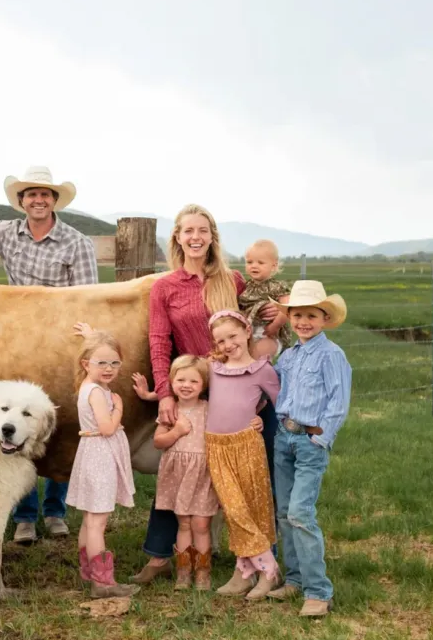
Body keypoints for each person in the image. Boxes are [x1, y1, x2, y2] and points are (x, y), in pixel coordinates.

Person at [129, 203, 280, 586]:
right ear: (177, 237)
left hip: (237, 390)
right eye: (187, 231)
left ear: (212, 236)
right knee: (181, 468)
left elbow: (252, 323)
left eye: (203, 230)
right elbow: (159, 341)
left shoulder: (232, 281)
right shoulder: (164, 286)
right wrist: (165, 393)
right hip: (193, 393)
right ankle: (161, 555)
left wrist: (276, 315)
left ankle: (265, 561)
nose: (195, 237)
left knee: (252, 475)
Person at [0, 165, 99, 543]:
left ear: (54, 201)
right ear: (21, 202)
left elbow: (86, 298)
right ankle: (25, 514)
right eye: (31, 195)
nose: (38, 200)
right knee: (18, 420)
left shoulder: (76, 242)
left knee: (56, 418)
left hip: (60, 345)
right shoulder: (9, 232)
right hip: (17, 345)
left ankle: (56, 510)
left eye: (45, 194)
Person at [263, 280, 351, 618]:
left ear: (325, 318)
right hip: (283, 437)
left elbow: (338, 403)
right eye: (297, 315)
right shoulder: (289, 355)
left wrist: (320, 438)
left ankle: (318, 591)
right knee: (284, 512)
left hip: (310, 440)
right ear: (288, 318)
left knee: (301, 513)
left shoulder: (332, 356)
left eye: (311, 315)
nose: (303, 322)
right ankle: (295, 578)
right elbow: (275, 388)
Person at [202, 310, 282, 598]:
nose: (227, 344)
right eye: (220, 340)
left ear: (248, 331)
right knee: (234, 510)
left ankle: (250, 571)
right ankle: (265, 567)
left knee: (255, 508)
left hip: (247, 445)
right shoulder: (212, 368)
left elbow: (279, 405)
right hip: (216, 446)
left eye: (232, 336)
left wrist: (259, 417)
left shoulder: (262, 370)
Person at [131, 356, 217, 590]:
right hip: (177, 474)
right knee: (184, 525)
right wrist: (177, 431)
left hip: (201, 474)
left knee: (201, 525)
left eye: (193, 381)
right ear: (171, 382)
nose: (186, 385)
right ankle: (183, 571)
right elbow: (159, 441)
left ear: (204, 385)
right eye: (180, 380)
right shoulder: (170, 411)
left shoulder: (209, 409)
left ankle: (202, 572)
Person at [64, 331, 140, 598]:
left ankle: (89, 573)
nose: (109, 369)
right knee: (98, 522)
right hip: (100, 457)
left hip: (92, 454)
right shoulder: (97, 392)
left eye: (115, 363)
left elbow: (100, 349)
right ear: (86, 364)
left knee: (89, 520)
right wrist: (118, 408)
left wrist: (91, 334)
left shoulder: (90, 385)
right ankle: (103, 583)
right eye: (102, 363)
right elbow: (107, 428)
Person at [238, 239, 292, 359]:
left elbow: (287, 306)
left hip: (268, 333)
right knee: (243, 360)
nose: (254, 266)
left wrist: (275, 325)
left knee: (257, 359)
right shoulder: (245, 287)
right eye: (249, 262)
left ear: (274, 265)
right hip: (248, 333)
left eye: (260, 263)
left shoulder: (277, 286)